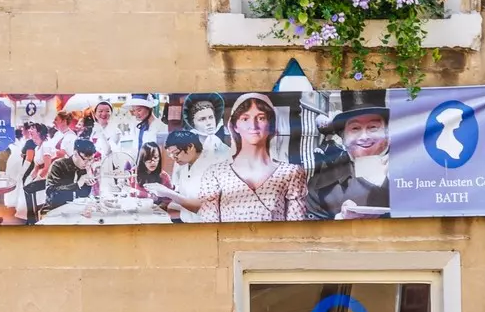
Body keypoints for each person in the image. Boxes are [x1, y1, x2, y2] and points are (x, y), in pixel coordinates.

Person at [148, 91, 306, 222]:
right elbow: (179, 190)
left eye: (211, 117)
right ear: (192, 123)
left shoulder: (224, 155)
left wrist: (170, 195)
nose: (208, 123)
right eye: (202, 119)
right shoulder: (182, 152)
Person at [306, 97, 392, 220]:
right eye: (355, 128)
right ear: (343, 136)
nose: (364, 136)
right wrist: (340, 220)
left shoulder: (411, 171)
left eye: (373, 127)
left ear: (387, 133)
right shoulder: (322, 183)